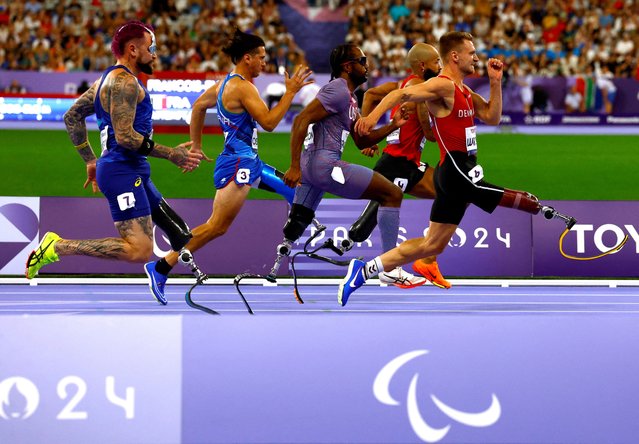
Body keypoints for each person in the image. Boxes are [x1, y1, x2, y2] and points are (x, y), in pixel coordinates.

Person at [339, 31, 577, 306]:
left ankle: (364, 271)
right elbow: (401, 93)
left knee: (432, 246)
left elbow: (492, 116)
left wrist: (495, 83)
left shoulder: (465, 91)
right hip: (455, 172)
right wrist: (370, 118)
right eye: (471, 52)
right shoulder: (443, 86)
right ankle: (540, 207)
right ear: (455, 56)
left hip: (459, 170)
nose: (476, 57)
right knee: (493, 194)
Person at [25, 21, 202, 305]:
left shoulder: (106, 80)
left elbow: (72, 117)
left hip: (131, 169)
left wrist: (91, 160)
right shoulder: (125, 83)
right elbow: (126, 138)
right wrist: (172, 154)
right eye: (151, 48)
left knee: (180, 231)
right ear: (133, 50)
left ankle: (161, 274)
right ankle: (57, 246)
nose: (155, 54)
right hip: (122, 172)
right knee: (140, 250)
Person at [143, 28, 313, 303]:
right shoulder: (242, 88)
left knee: (297, 190)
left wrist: (196, 144)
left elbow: (198, 106)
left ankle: (304, 225)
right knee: (216, 226)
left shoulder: (226, 84)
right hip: (238, 164)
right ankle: (161, 267)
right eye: (261, 57)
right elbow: (269, 123)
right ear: (247, 58)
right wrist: (290, 92)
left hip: (249, 161)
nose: (264, 62)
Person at [271, 43, 425, 289]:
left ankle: (278, 261)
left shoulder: (349, 98)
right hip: (324, 166)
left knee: (298, 220)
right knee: (392, 194)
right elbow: (301, 120)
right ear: (347, 66)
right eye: (362, 60)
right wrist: (293, 167)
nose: (367, 65)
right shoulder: (339, 91)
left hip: (313, 169)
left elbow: (361, 139)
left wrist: (393, 125)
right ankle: (390, 268)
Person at [348, 42, 450, 289]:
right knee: (362, 229)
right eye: (437, 61)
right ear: (422, 65)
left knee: (451, 194)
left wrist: (368, 132)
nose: (440, 66)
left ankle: (428, 256)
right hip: (397, 162)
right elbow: (428, 132)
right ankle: (360, 257)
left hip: (409, 162)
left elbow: (370, 95)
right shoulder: (419, 88)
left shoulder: (400, 85)